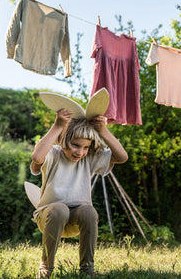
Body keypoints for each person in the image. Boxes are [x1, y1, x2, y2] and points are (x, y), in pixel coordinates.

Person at [30, 108, 128, 278]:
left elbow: (122, 157)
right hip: (48, 217)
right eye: (75, 145)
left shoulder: (89, 158)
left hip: (76, 219)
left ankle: (87, 269)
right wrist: (58, 125)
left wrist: (103, 130)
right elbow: (37, 157)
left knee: (89, 211)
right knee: (59, 209)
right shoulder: (53, 154)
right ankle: (46, 267)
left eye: (85, 147)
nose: (80, 152)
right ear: (64, 140)